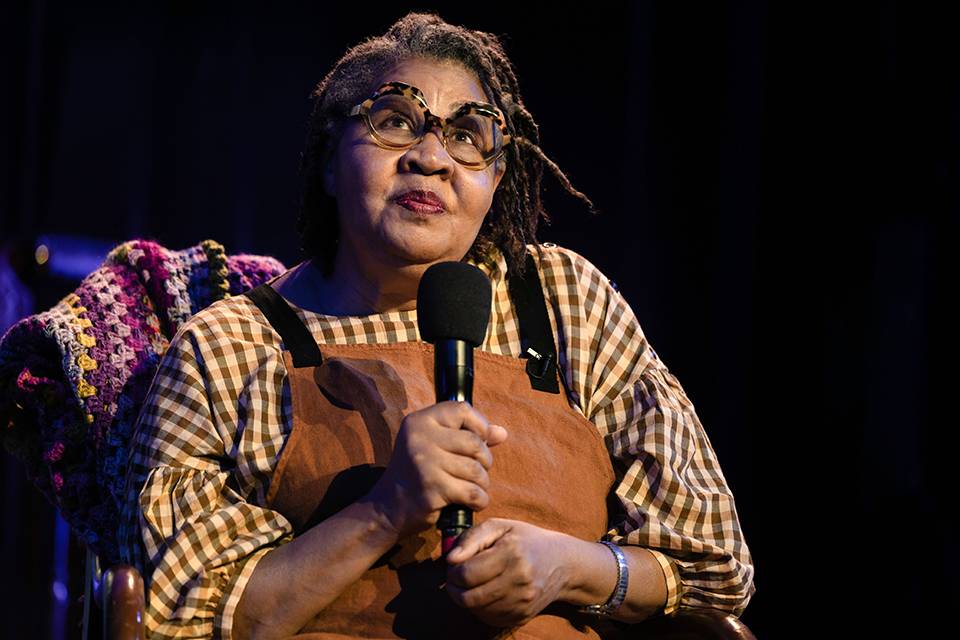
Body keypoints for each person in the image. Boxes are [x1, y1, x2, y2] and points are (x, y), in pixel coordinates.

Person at [120, 12, 754, 640]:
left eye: (468, 137)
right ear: (330, 161)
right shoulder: (230, 347)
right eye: (396, 122)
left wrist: (573, 568)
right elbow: (183, 617)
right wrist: (386, 508)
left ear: (495, 179)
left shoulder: (563, 301)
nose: (431, 159)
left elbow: (713, 562)